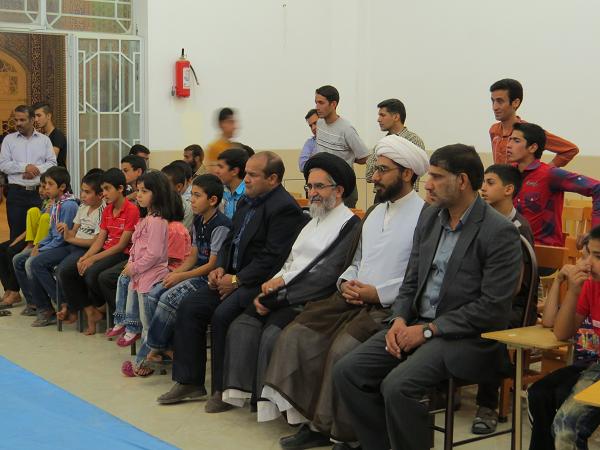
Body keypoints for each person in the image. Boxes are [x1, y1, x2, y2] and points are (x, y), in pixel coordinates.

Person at [332, 144, 522, 450]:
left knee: (398, 386)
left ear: (462, 181)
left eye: (436, 176)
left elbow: (493, 309)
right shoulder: (431, 218)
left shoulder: (498, 231)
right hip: (417, 325)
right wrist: (399, 318)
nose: (428, 184)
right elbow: (412, 280)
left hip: (468, 338)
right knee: (347, 371)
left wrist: (429, 330)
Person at [262, 136, 429, 449]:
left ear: (407, 174)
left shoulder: (425, 216)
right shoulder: (375, 213)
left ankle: (344, 433)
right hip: (352, 300)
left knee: (341, 351)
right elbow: (356, 261)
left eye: (382, 170)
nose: (374, 177)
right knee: (299, 333)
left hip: (388, 308)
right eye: (375, 169)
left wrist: (376, 293)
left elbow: (418, 276)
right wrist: (346, 283)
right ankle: (312, 421)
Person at [156, 152, 308, 412]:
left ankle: (223, 389)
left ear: (272, 179)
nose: (245, 179)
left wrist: (237, 280)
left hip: (259, 283)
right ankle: (189, 381)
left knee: (222, 315)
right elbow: (230, 241)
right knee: (190, 306)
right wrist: (220, 268)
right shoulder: (247, 201)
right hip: (231, 276)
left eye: (252, 175)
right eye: (246, 173)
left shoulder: (284, 208)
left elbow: (272, 258)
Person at [221, 153, 361, 413]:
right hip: (285, 290)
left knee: (273, 334)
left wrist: (279, 289)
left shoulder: (349, 225)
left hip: (311, 297)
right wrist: (274, 281)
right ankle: (252, 396)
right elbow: (290, 261)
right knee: (243, 325)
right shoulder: (312, 221)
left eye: (319, 186)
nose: (312, 193)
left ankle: (283, 407)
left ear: (339, 190)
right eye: (310, 186)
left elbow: (325, 274)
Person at [132, 174, 231, 363]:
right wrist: (175, 273)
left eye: (197, 195)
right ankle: (166, 346)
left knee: (166, 299)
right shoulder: (198, 220)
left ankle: (154, 347)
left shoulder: (221, 225)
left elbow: (212, 264)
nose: (191, 200)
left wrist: (181, 276)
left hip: (208, 277)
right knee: (154, 293)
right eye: (191, 194)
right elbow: (193, 256)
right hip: (194, 272)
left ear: (212, 200)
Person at [473, 163, 537, 433]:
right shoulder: (480, 221)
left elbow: (513, 287)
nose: (483, 188)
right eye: (483, 182)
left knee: (491, 326)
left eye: (490, 183)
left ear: (509, 189)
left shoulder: (518, 229)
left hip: (514, 306)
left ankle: (487, 405)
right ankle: (442, 389)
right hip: (484, 297)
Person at [528, 226, 600, 450]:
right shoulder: (591, 286)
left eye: (597, 257)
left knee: (567, 426)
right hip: (594, 367)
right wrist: (574, 291)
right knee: (542, 397)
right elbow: (561, 332)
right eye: (588, 254)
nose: (588, 263)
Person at [57, 168, 139, 335]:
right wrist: (86, 257)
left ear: (120, 189)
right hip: (107, 249)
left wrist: (93, 259)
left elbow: (121, 245)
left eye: (107, 189)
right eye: (103, 189)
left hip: (122, 253)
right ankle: (91, 310)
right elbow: (100, 240)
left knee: (93, 273)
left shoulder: (132, 210)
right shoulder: (108, 210)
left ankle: (107, 311)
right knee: (70, 270)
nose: (104, 194)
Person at [103, 172, 173, 356]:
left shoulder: (157, 222)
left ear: (158, 193)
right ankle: (129, 327)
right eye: (138, 190)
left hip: (150, 276)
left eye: (144, 191)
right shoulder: (147, 218)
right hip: (141, 274)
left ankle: (143, 360)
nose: (139, 195)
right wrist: (131, 265)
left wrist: (134, 267)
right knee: (139, 314)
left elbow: (154, 254)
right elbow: (138, 247)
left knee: (148, 324)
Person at [507, 122, 600, 246]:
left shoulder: (550, 174)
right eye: (509, 139)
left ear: (532, 148)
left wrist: (595, 233)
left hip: (544, 250)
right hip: (512, 246)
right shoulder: (507, 173)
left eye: (516, 141)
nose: (508, 145)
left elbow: (597, 188)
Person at [14, 166, 78, 326]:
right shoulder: (56, 203)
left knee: (31, 262)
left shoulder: (69, 205)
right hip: (53, 244)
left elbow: (62, 238)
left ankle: (52, 306)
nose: (46, 188)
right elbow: (50, 233)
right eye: (45, 184)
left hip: (65, 247)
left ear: (62, 187)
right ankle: (34, 303)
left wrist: (41, 249)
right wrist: (39, 245)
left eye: (50, 184)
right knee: (18, 259)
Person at [489, 78, 578, 167]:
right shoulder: (494, 130)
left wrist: (545, 171)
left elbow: (570, 149)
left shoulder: (531, 132)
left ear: (515, 102)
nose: (494, 107)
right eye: (493, 101)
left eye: (500, 101)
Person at [55, 170, 106, 323]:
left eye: (87, 192)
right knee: (38, 262)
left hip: (86, 249)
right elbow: (74, 231)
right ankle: (70, 307)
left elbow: (95, 242)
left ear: (100, 195)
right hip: (72, 245)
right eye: (82, 191)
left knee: (63, 271)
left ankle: (78, 310)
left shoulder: (103, 211)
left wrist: (71, 238)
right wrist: (66, 230)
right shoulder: (83, 207)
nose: (82, 195)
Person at [0, 104, 57, 240]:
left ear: (32, 120)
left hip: (40, 194)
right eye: (16, 120)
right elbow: (3, 165)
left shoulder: (44, 140)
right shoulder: (8, 140)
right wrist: (25, 167)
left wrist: (35, 170)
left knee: (40, 236)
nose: (18, 123)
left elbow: (52, 164)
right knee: (16, 236)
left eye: (22, 120)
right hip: (16, 194)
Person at [314, 85, 369, 208]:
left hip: (344, 186)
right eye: (316, 102)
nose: (317, 107)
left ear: (333, 104)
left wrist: (347, 159)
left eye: (321, 103)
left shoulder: (346, 129)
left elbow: (364, 157)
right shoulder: (319, 123)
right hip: (324, 184)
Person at [0, 178, 51, 310]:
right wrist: (17, 240)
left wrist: (32, 245)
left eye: (45, 187)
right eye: (40, 187)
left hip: (41, 241)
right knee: (2, 248)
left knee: (12, 252)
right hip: (32, 237)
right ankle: (8, 289)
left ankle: (15, 291)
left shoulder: (55, 205)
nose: (41, 190)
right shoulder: (44, 203)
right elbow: (31, 228)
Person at [365, 98, 426, 183]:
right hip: (381, 190)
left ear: (396, 117)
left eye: (382, 115)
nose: (378, 119)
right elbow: (369, 176)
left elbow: (413, 175)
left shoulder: (413, 141)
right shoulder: (382, 143)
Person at [214, 148, 248, 219]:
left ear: (234, 171)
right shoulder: (219, 191)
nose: (216, 171)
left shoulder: (249, 194)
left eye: (221, 167)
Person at [33, 102, 67, 168]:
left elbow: (50, 161)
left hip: (56, 174)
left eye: (39, 116)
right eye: (35, 116)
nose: (36, 120)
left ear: (48, 116)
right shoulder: (42, 136)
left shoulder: (57, 136)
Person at [161, 163, 194, 230]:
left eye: (164, 184)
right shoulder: (157, 201)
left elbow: (181, 231)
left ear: (178, 187)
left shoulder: (187, 208)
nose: (160, 187)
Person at [205, 108, 237, 172]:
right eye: (230, 122)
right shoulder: (213, 148)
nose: (234, 126)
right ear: (220, 124)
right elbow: (212, 173)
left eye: (234, 122)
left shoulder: (235, 147)